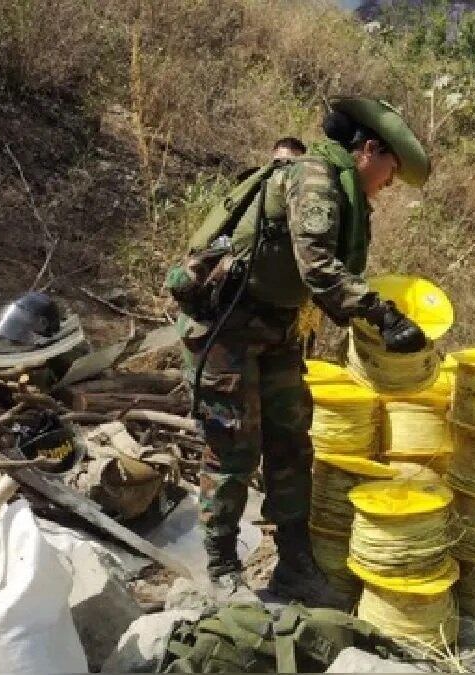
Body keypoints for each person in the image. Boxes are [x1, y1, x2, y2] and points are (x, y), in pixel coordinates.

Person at [181, 97, 430, 605]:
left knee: (292, 445)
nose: (389, 183)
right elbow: (318, 268)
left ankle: (294, 563)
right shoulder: (316, 178)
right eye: (390, 170)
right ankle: (222, 566)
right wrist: (383, 316)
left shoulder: (342, 189)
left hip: (277, 327)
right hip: (229, 327)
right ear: (368, 150)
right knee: (233, 449)